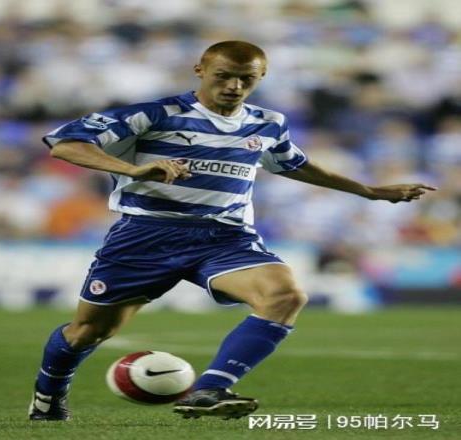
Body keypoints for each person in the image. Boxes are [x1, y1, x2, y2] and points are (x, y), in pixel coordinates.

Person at [29, 40, 435, 421]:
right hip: (147, 235)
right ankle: (49, 395)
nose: (234, 86)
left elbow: (295, 165)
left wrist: (367, 190)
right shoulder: (155, 114)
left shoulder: (268, 123)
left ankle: (208, 390)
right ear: (200, 70)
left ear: (261, 77)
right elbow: (66, 144)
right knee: (87, 332)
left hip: (226, 236)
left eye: (246, 79)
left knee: (285, 295)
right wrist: (132, 169)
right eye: (223, 76)